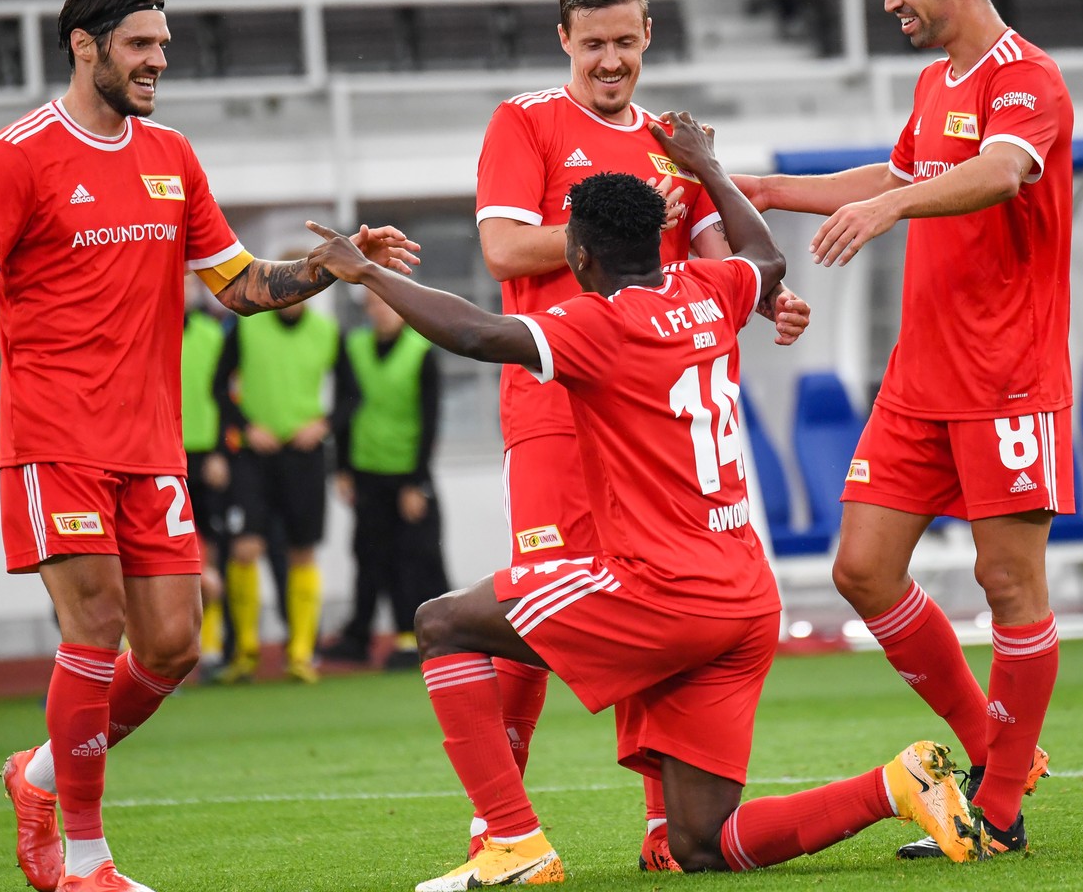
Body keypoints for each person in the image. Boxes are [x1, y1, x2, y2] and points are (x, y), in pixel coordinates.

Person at [304, 120, 990, 889]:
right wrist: (709, 168)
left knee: (441, 624)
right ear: (661, 244)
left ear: (579, 257)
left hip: (662, 592)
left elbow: (474, 332)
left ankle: (513, 840)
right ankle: (897, 786)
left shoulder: (598, 324)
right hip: (743, 599)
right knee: (703, 844)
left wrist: (363, 272)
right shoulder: (713, 289)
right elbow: (766, 257)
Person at [0, 0, 419, 892]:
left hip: (151, 445)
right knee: (94, 628)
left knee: (175, 645)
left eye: (164, 48)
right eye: (141, 46)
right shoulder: (19, 154)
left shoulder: (172, 157)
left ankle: (39, 772)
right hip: (56, 437)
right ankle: (89, 860)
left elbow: (238, 285)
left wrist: (328, 269)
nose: (157, 63)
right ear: (85, 46)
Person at [731, 0, 1070, 858]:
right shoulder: (936, 87)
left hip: (1008, 380)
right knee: (862, 570)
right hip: (919, 382)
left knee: (1008, 584)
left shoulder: (1028, 80)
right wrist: (770, 192)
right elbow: (894, 175)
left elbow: (1003, 172)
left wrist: (894, 210)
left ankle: (997, 810)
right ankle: (997, 747)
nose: (889, 0)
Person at [471, 0, 811, 870]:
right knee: (533, 608)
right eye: (593, 45)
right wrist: (620, 230)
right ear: (564, 43)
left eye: (625, 41)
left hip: (648, 423)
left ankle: (665, 820)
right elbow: (504, 248)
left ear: (648, 35)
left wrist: (772, 302)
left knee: (654, 600)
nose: (610, 60)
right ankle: (500, 830)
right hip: (550, 398)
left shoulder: (672, 139)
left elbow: (720, 256)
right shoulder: (527, 121)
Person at [213, 268, 341, 685]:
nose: (294, 294)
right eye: (288, 285)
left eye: (302, 287)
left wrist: (323, 424)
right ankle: (245, 653)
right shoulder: (246, 328)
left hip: (303, 459)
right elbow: (217, 387)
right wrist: (246, 426)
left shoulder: (326, 332)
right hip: (255, 457)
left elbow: (353, 394)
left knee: (303, 552)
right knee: (245, 549)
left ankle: (301, 654)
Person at [324, 287, 451, 668]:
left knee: (416, 556)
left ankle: (424, 639)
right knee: (368, 556)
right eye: (374, 305)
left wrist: (417, 482)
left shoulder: (421, 351)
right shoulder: (354, 347)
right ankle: (360, 637)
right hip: (366, 470)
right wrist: (341, 467)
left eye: (387, 305)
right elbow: (342, 408)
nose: (380, 312)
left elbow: (430, 422)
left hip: (407, 473)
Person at [181, 278, 233, 676]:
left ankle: (210, 647)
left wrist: (219, 449)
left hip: (204, 454)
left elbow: (223, 396)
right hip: (161, 456)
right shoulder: (145, 332)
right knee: (160, 557)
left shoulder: (213, 334)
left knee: (210, 552)